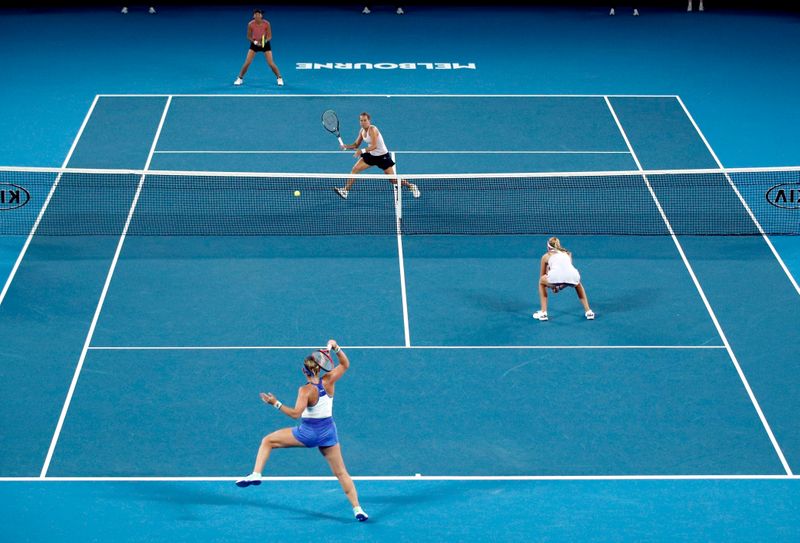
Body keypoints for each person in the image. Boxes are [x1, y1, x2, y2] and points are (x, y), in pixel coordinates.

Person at [235, 339, 368, 522]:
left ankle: (257, 473)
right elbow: (345, 364)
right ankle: (357, 509)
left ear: (304, 371)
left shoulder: (305, 390)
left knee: (268, 441)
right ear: (319, 369)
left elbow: (295, 414)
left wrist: (275, 403)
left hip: (308, 434)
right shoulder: (329, 380)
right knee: (341, 473)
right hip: (328, 433)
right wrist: (336, 348)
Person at [334, 112, 420, 200]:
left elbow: (374, 146)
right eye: (361, 120)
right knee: (354, 170)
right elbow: (356, 145)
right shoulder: (362, 131)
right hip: (372, 155)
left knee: (393, 180)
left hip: (382, 157)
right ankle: (345, 191)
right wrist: (346, 146)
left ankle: (411, 186)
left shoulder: (373, 129)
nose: (363, 122)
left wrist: (361, 151)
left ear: (369, 121)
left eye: (365, 120)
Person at [533, 237, 595, 321]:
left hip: (555, 277)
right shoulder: (567, 254)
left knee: (541, 281)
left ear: (548, 247)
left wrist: (553, 287)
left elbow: (543, 276)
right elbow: (567, 277)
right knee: (577, 283)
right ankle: (589, 312)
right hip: (573, 275)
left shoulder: (545, 256)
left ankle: (543, 313)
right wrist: (559, 287)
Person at [234, 8, 284, 87]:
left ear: (261, 15)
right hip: (255, 43)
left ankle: (279, 78)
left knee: (271, 63)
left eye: (259, 14)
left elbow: (270, 36)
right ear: (253, 16)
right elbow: (248, 36)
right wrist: (254, 42)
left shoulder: (267, 23)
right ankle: (240, 78)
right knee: (247, 63)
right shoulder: (250, 24)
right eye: (256, 14)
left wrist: (264, 42)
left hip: (265, 44)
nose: (257, 15)